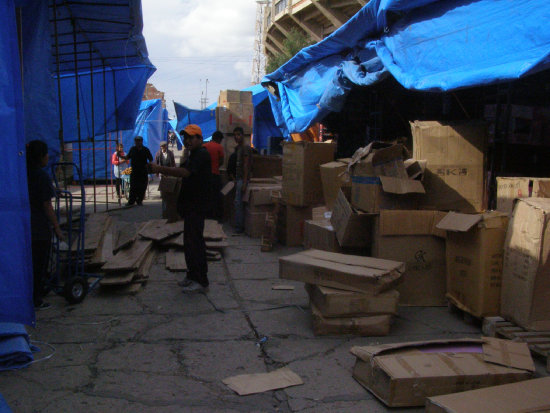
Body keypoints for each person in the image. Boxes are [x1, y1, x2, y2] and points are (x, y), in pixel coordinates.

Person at [149, 124, 212, 294]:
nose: (187, 140)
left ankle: (201, 280)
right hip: (190, 206)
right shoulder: (193, 154)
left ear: (199, 138)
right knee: (189, 243)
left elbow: (184, 173)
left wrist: (159, 169)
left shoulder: (202, 155)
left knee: (195, 243)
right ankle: (192, 276)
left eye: (191, 137)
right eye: (185, 137)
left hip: (197, 207)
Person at [26, 140, 63, 309]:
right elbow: (46, 205)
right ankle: (36, 299)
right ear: (40, 156)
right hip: (39, 227)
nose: (48, 157)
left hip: (24, 225)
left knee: (29, 263)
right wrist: (57, 227)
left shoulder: (23, 173)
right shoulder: (41, 176)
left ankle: (32, 293)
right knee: (39, 263)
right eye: (46, 154)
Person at [123, 136, 153, 206]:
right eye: (136, 141)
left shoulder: (145, 150)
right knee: (133, 186)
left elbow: (151, 159)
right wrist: (120, 156)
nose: (138, 142)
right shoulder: (132, 149)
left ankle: (139, 200)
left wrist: (148, 165)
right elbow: (127, 157)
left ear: (142, 141)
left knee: (142, 187)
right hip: (134, 172)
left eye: (139, 141)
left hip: (143, 172)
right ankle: (131, 201)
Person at [233, 126, 252, 233]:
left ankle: (239, 227)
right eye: (235, 135)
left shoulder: (245, 148)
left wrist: (244, 182)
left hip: (242, 180)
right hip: (239, 179)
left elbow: (246, 165)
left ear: (243, 135)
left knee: (238, 203)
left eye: (238, 134)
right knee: (238, 203)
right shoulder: (238, 148)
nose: (236, 137)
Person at [203, 130, 224, 220]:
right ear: (219, 139)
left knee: (206, 196)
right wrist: (216, 166)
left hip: (204, 176)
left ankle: (207, 216)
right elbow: (222, 161)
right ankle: (217, 217)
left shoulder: (204, 146)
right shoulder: (219, 147)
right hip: (215, 175)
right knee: (216, 197)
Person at [154, 140, 176, 217]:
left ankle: (169, 211)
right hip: (162, 173)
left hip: (169, 172)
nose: (163, 148)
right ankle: (164, 211)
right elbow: (156, 163)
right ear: (160, 147)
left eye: (164, 146)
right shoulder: (158, 154)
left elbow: (173, 162)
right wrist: (157, 172)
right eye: (162, 146)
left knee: (170, 191)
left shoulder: (170, 153)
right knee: (164, 193)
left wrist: (174, 171)